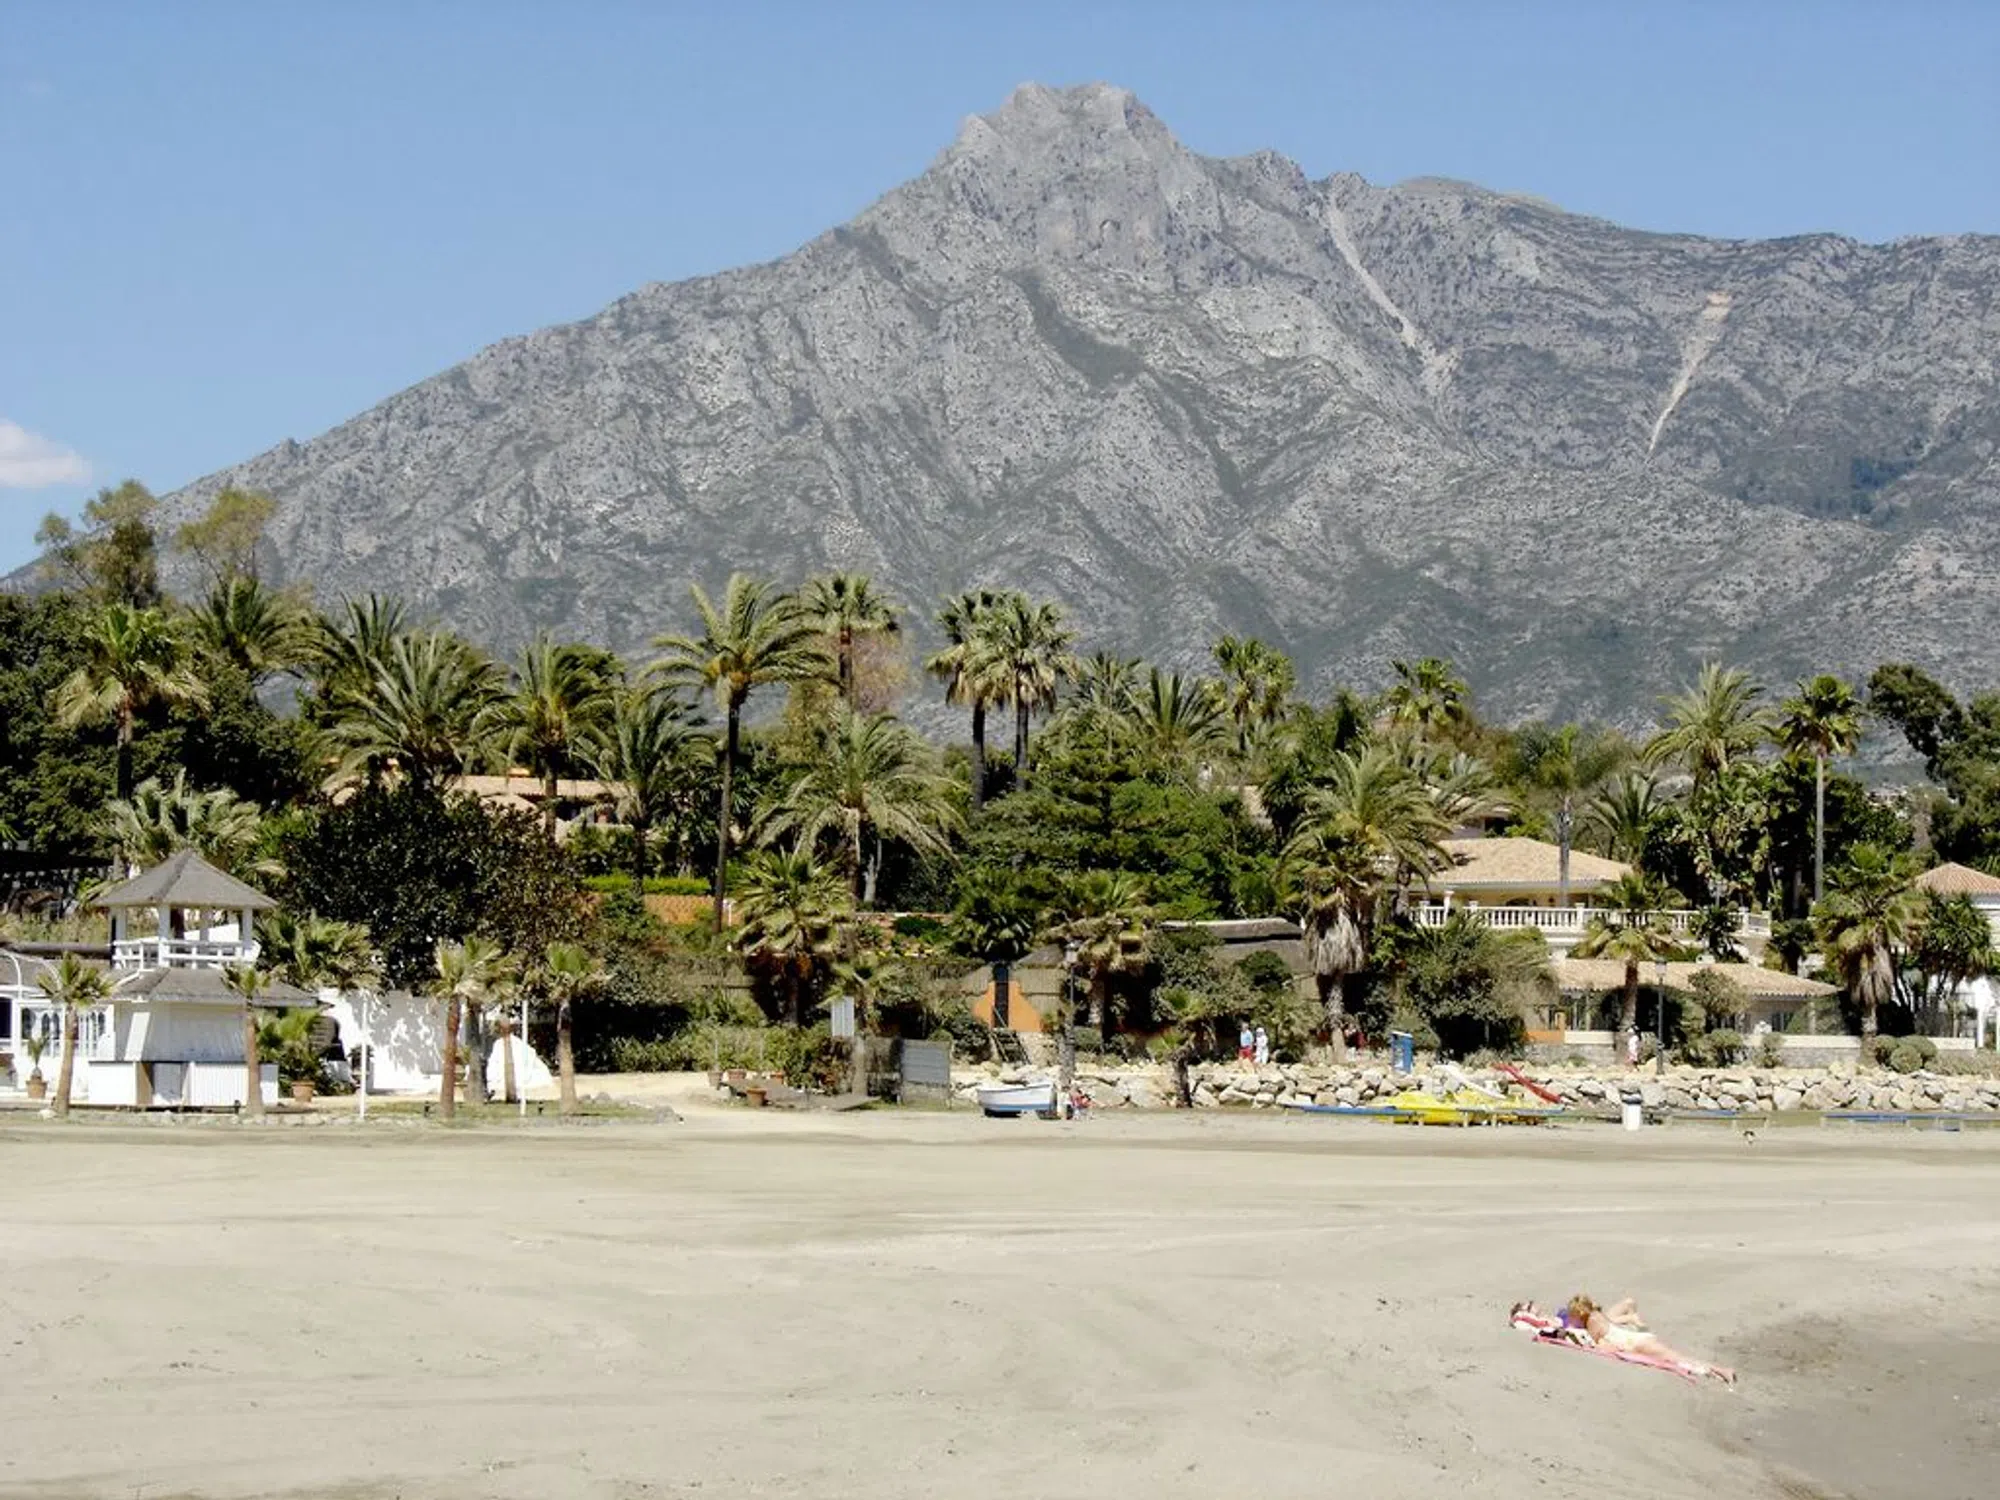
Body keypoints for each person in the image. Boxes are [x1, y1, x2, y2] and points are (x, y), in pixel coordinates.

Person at [1565, 1295, 1734, 1384]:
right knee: (1675, 1357)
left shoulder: (1592, 1323)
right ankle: (1720, 1371)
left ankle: (1722, 1370)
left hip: (1637, 1343)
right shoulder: (1596, 1315)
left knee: (1677, 1358)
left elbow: (1599, 1345)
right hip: (1636, 1340)